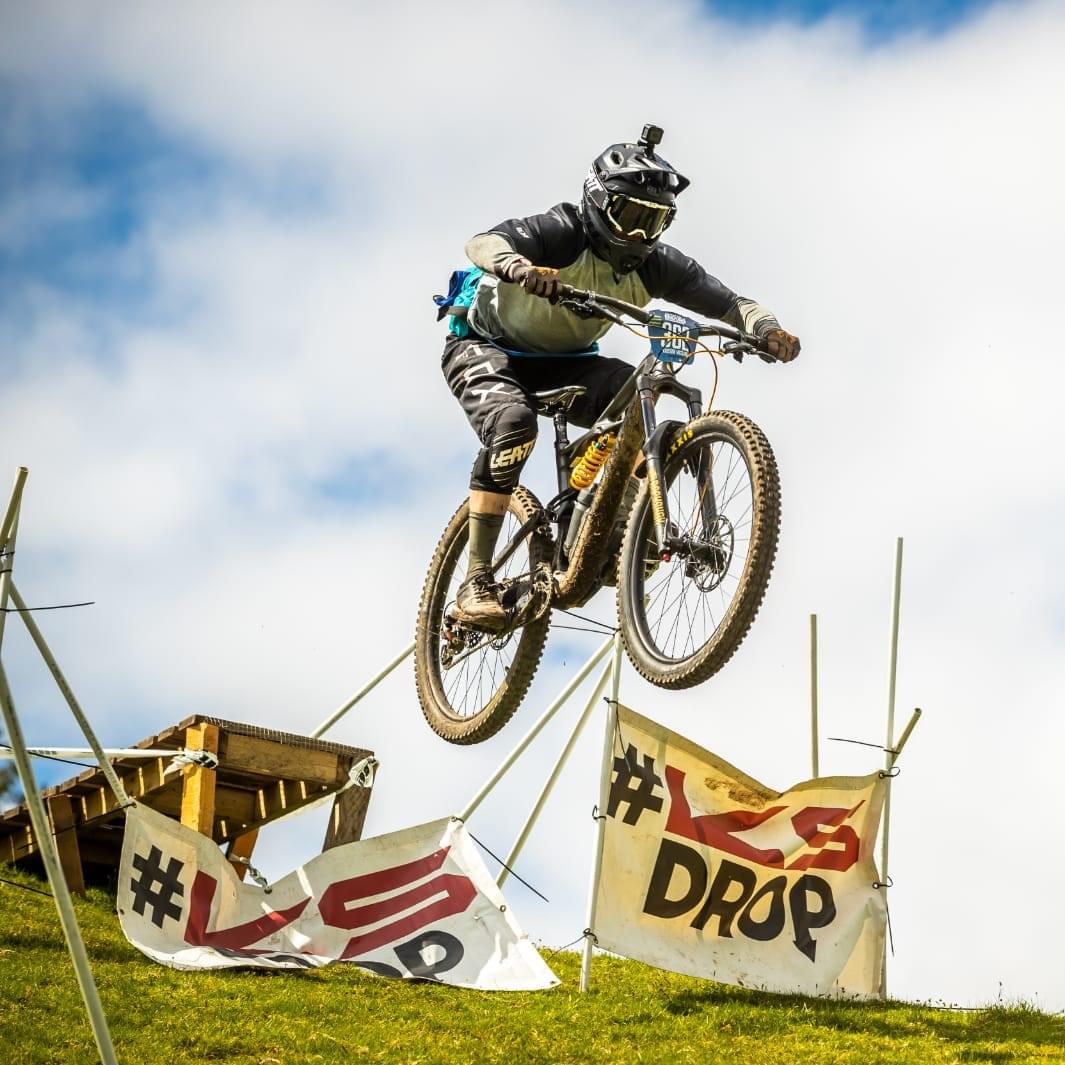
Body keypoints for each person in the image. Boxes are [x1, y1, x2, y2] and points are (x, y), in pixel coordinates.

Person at [441, 125, 800, 630]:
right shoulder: (562, 231)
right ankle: (475, 578)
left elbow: (733, 303)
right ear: (596, 203)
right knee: (515, 424)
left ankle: (614, 528)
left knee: (638, 400)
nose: (637, 236)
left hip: (568, 359)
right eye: (628, 216)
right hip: (485, 347)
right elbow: (481, 243)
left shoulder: (656, 267)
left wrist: (767, 330)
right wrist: (519, 267)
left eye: (652, 224)